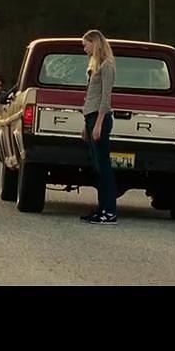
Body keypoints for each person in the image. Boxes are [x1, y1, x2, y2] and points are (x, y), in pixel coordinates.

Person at [79, 29, 117, 225]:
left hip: (99, 118)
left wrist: (99, 124)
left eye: (86, 44)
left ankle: (109, 211)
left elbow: (105, 98)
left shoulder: (107, 66)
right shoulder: (95, 66)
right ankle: (101, 208)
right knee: (97, 167)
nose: (84, 48)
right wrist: (86, 125)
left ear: (95, 42)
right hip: (90, 117)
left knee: (104, 167)